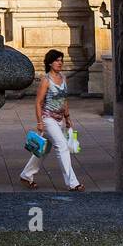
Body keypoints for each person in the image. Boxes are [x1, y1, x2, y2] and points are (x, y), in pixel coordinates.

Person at [20, 49, 83, 191]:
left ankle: (26, 175)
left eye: (61, 60)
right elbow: (38, 103)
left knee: (43, 150)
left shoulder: (63, 78)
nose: (60, 63)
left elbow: (64, 99)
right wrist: (40, 122)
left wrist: (68, 117)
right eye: (57, 60)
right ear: (50, 63)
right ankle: (73, 183)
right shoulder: (46, 80)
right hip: (48, 119)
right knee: (62, 146)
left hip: (60, 119)